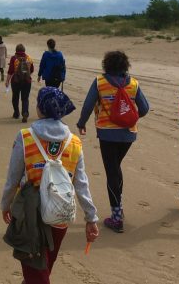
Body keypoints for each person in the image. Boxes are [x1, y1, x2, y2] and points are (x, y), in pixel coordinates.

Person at [1, 87, 99, 284]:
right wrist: (91, 217)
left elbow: (13, 179)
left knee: (36, 270)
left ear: (40, 108)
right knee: (44, 265)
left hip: (30, 214)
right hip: (60, 214)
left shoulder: (25, 137)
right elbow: (81, 184)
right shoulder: (74, 143)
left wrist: (6, 204)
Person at [75, 51, 149, 233]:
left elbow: (88, 105)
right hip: (128, 134)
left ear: (106, 64)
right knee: (115, 168)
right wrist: (129, 117)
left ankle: (116, 217)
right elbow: (145, 108)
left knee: (112, 172)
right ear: (125, 65)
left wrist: (81, 123)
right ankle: (119, 208)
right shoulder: (133, 83)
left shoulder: (100, 82)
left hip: (107, 134)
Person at [5, 44, 35, 123]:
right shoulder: (29, 58)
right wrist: (26, 75)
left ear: (16, 50)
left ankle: (16, 113)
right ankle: (25, 113)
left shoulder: (13, 58)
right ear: (24, 50)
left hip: (16, 81)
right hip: (27, 81)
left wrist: (7, 81)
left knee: (15, 97)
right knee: (25, 98)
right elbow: (32, 70)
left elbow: (10, 71)